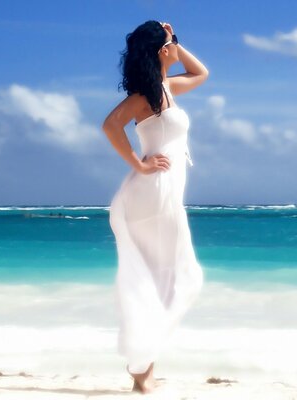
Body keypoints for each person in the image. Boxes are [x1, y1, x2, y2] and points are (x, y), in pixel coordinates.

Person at [102, 20, 209, 394]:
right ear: (162, 51)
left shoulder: (167, 88)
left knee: (165, 278)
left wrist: (176, 38)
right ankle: (140, 372)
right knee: (169, 277)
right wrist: (140, 164)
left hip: (163, 196)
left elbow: (202, 73)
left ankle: (143, 369)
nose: (175, 46)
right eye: (171, 43)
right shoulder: (143, 96)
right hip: (151, 196)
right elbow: (110, 126)